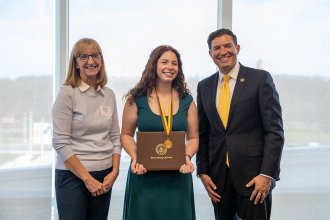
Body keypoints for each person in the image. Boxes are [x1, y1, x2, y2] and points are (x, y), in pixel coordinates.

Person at [196, 28, 284, 220]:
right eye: (216, 48)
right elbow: (203, 132)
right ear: (210, 54)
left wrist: (267, 175)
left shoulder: (260, 79)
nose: (223, 51)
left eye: (228, 46)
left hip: (254, 180)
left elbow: (274, 131)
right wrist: (202, 171)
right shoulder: (204, 87)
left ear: (237, 48)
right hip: (219, 179)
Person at [121, 45, 199, 220]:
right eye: (164, 62)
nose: (170, 67)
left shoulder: (187, 100)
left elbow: (193, 137)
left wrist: (186, 156)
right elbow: (126, 135)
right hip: (143, 175)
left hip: (178, 178)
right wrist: (136, 157)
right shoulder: (136, 98)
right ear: (154, 65)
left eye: (174, 63)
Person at [52, 38, 121, 220]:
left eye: (95, 55)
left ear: (101, 59)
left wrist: (115, 171)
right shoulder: (67, 93)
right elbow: (60, 143)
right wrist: (87, 179)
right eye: (83, 56)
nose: (90, 61)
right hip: (73, 177)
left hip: (104, 176)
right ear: (75, 63)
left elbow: (115, 137)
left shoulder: (109, 94)